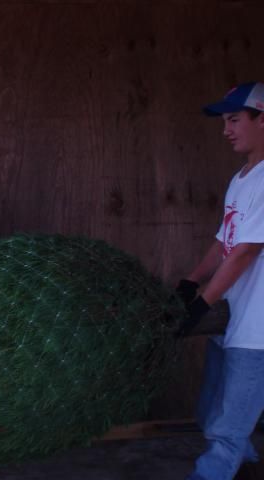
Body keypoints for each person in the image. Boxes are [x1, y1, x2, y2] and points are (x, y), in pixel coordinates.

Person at [175, 82, 264, 480]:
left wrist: (201, 304)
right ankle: (244, 468)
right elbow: (225, 239)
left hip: (258, 329)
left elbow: (247, 251)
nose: (226, 129)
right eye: (223, 121)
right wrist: (192, 281)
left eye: (234, 119)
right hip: (233, 316)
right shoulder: (243, 178)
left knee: (226, 430)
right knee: (212, 410)